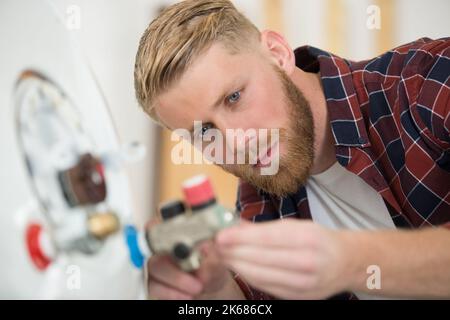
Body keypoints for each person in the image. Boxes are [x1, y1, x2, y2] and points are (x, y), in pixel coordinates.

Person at [134, 0, 450, 299]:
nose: (237, 144)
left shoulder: (430, 83)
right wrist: (211, 292)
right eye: (204, 132)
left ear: (277, 53)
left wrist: (349, 262)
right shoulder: (260, 201)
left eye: (234, 97)